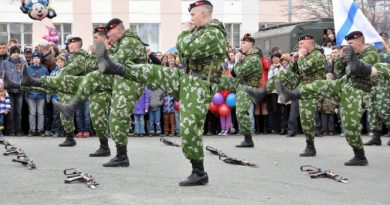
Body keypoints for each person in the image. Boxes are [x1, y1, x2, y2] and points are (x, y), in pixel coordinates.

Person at [95, 0, 227, 186]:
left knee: (189, 128)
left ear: (204, 14)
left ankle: (199, 171)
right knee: (150, 71)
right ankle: (116, 68)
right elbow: (185, 50)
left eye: (193, 15)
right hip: (185, 76)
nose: (191, 18)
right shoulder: (199, 32)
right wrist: (188, 35)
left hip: (199, 84)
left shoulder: (214, 33)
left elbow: (185, 48)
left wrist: (184, 32)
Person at [44, 19, 149, 166]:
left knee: (116, 116)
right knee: (99, 114)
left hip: (128, 82)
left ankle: (121, 156)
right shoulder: (118, 44)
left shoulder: (127, 42)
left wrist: (102, 52)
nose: (98, 39)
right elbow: (94, 65)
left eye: (103, 35)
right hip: (110, 81)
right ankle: (107, 148)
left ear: (115, 31)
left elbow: (107, 65)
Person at [275, 31, 380, 166]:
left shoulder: (371, 53)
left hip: (361, 90)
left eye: (350, 43)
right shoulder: (350, 53)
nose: (348, 46)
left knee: (350, 125)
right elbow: (339, 73)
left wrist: (349, 58)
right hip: (344, 85)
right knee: (319, 85)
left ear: (360, 42)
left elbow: (358, 70)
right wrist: (341, 60)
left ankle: (360, 156)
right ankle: (291, 94)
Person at [247, 34, 326, 156]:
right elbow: (293, 71)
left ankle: (310, 146)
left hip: (314, 88)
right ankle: (262, 92)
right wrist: (294, 60)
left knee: (307, 119)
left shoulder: (318, 55)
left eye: (301, 44)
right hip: (302, 86)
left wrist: (301, 57)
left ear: (310, 44)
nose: (299, 46)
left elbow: (304, 68)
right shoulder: (305, 55)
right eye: (299, 44)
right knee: (283, 73)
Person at [231, 33, 262, 147]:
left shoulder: (253, 58)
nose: (241, 45)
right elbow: (234, 73)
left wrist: (237, 61)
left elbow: (240, 72)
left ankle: (248, 139)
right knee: (240, 112)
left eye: (244, 43)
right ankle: (247, 139)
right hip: (242, 85)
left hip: (248, 87)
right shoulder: (248, 57)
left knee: (241, 112)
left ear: (251, 46)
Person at [25, 51, 49, 136]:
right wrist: (26, 94)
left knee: (40, 113)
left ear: (40, 59)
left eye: (37, 58)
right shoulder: (28, 69)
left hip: (41, 94)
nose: (36, 60)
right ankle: (32, 129)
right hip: (31, 94)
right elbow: (26, 82)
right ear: (32, 59)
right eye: (34, 58)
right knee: (32, 112)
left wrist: (47, 94)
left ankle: (40, 129)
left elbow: (47, 83)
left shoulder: (44, 70)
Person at [4, 45, 24, 136]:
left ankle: (18, 130)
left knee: (18, 112)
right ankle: (11, 130)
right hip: (9, 90)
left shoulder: (22, 62)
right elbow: (2, 75)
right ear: (10, 53)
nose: (15, 54)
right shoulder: (5, 62)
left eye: (17, 52)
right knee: (10, 111)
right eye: (13, 53)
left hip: (20, 90)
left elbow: (25, 74)